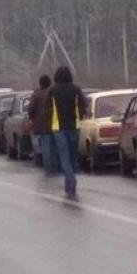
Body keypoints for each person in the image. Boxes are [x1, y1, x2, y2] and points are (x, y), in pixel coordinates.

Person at [48, 66, 90, 198]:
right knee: (72, 157)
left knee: (64, 158)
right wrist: (82, 115)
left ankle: (71, 181)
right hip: (74, 126)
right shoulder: (76, 89)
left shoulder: (53, 90)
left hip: (58, 128)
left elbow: (47, 107)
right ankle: (69, 184)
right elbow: (84, 104)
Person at [28, 74, 55, 174]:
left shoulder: (36, 94)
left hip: (42, 125)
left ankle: (48, 167)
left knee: (45, 146)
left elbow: (31, 109)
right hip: (56, 123)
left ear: (40, 83)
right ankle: (56, 164)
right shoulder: (54, 93)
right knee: (55, 144)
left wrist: (32, 118)